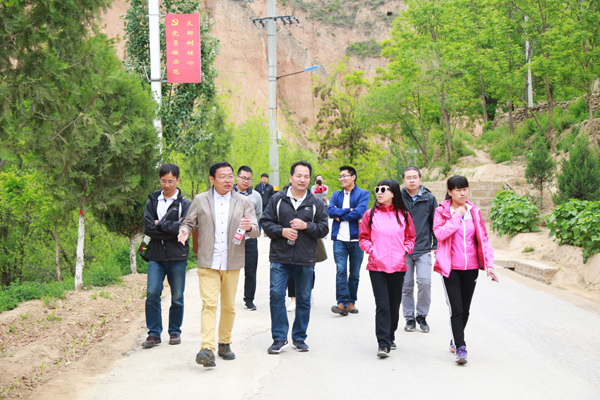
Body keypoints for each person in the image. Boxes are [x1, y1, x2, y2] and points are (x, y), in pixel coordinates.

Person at [178, 162, 259, 368]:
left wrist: (249, 227)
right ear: (212, 179)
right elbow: (189, 222)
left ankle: (224, 343)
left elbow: (255, 230)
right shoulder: (200, 200)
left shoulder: (243, 201)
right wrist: (185, 231)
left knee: (228, 306)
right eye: (222, 176)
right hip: (208, 261)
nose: (228, 180)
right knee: (209, 304)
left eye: (230, 176)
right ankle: (207, 348)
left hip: (232, 262)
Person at [261, 161, 329, 354]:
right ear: (291, 177)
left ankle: (299, 338)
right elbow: (265, 222)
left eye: (306, 176)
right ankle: (279, 338)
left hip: (305, 257)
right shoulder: (277, 199)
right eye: (298, 175)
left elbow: (324, 228)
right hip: (280, 257)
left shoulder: (316, 203)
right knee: (276, 295)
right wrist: (281, 231)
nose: (302, 179)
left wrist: (306, 226)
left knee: (304, 299)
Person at [433, 175, 498, 365]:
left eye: (465, 189)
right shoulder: (441, 212)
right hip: (450, 268)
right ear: (450, 192)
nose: (463, 193)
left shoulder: (474, 211)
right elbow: (440, 234)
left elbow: (483, 239)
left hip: (471, 268)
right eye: (458, 190)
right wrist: (456, 217)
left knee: (466, 309)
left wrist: (490, 264)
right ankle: (461, 347)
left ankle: (455, 338)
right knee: (457, 309)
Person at [359, 179, 415, 358]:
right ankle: (383, 344)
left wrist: (404, 251)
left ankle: (390, 335)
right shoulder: (370, 214)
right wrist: (372, 250)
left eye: (384, 189)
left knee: (394, 304)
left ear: (393, 193)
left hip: (398, 266)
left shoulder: (404, 214)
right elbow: (363, 238)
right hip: (377, 266)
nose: (379, 192)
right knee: (382, 305)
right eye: (377, 189)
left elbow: (411, 237)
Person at [142, 163, 192, 348]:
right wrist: (171, 227)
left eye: (171, 181)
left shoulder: (185, 204)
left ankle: (175, 331)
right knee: (152, 293)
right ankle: (154, 333)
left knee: (177, 296)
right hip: (155, 255)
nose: (167, 185)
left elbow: (184, 228)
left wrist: (160, 224)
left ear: (178, 180)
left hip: (177, 255)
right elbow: (148, 228)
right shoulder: (152, 201)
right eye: (163, 181)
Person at [328, 166, 370, 316]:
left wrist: (340, 215)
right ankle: (342, 303)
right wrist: (348, 210)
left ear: (353, 177)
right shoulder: (336, 195)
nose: (341, 179)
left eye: (344, 176)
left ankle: (351, 301)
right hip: (339, 239)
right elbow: (330, 211)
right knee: (341, 270)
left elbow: (359, 212)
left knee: (354, 273)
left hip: (357, 239)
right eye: (340, 176)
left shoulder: (363, 193)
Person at [401, 166, 438, 333]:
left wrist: (436, 244)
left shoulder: (429, 198)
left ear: (420, 179)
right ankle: (409, 318)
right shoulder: (398, 198)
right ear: (403, 180)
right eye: (408, 177)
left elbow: (435, 222)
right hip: (403, 250)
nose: (412, 180)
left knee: (424, 282)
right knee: (406, 285)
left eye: (414, 177)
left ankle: (421, 316)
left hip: (423, 248)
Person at [234, 166, 263, 311]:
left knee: (251, 271)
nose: (246, 181)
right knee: (230, 270)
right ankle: (228, 298)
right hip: (232, 239)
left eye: (249, 179)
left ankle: (249, 300)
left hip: (249, 239)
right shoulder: (229, 193)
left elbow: (258, 215)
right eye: (243, 178)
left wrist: (249, 226)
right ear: (237, 177)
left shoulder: (256, 196)